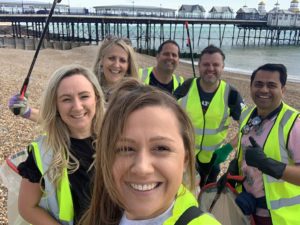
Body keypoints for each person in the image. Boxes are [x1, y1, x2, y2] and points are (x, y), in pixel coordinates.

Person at [79, 78, 221, 225]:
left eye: (161, 148)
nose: (142, 168)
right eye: (126, 149)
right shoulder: (103, 215)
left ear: (185, 159)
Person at [17, 65, 105, 224]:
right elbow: (27, 207)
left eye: (84, 96)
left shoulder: (117, 141)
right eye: (66, 99)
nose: (77, 107)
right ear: (55, 105)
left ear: (97, 99)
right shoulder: (43, 152)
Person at [8, 37, 139, 121]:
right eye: (111, 58)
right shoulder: (86, 86)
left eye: (122, 60)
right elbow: (59, 118)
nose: (116, 65)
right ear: (101, 61)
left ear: (128, 65)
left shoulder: (135, 95)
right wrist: (26, 111)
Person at [234, 63, 300, 225]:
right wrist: (233, 169)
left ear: (283, 90)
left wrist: (268, 165)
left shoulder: (293, 124)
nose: (263, 90)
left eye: (271, 85)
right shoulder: (247, 114)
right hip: (248, 206)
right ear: (250, 87)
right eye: (258, 84)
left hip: (280, 216)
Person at [174, 45, 245, 187]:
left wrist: (228, 149)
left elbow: (247, 126)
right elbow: (165, 115)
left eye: (216, 65)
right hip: (185, 157)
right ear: (199, 66)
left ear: (223, 67)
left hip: (213, 159)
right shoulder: (186, 87)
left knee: (206, 196)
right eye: (206, 64)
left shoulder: (231, 94)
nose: (210, 68)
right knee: (184, 195)